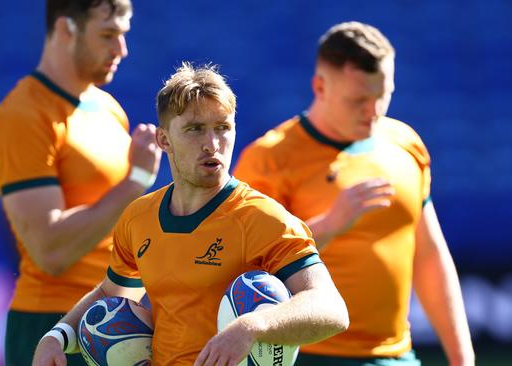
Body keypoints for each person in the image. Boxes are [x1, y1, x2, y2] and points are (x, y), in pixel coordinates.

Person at [32, 63, 349, 366]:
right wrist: (57, 336)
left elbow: (331, 308)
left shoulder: (263, 218)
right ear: (164, 140)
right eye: (195, 129)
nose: (212, 144)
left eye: (222, 128)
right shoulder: (138, 218)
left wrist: (254, 325)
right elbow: (111, 293)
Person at [234, 21, 474, 366]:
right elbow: (248, 274)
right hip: (307, 356)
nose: (373, 111)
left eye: (383, 95)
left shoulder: (405, 143)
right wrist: (330, 224)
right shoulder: (269, 159)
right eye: (358, 100)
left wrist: (462, 359)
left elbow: (429, 255)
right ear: (320, 86)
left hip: (396, 355)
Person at [0, 1, 162, 365]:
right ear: (67, 29)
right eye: (108, 35)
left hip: (120, 319)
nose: (121, 49)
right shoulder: (22, 115)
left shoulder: (109, 108)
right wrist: (135, 182)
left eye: (123, 35)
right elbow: (50, 251)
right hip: (50, 325)